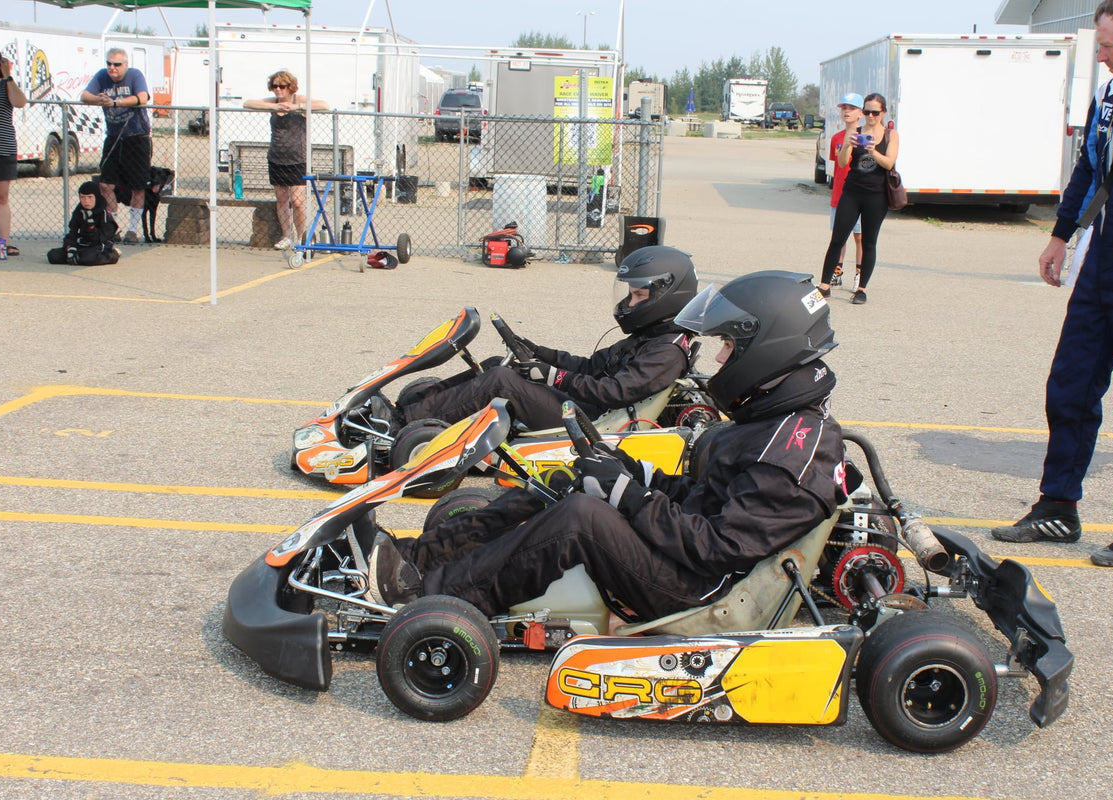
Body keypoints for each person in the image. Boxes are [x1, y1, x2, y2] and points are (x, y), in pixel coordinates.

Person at [366, 271, 848, 622]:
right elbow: (700, 495)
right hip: (687, 558)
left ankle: (430, 594)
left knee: (583, 520)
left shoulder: (792, 455)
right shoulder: (772, 420)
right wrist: (629, 473)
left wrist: (627, 497)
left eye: (728, 348)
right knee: (561, 479)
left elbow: (716, 548)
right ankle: (420, 558)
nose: (719, 357)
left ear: (767, 350)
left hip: (700, 590)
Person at [991, 0, 1113, 568]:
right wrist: (1060, 235)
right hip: (1099, 266)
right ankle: (1058, 507)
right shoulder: (1112, 94)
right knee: (1070, 389)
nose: (1099, 57)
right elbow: (1088, 169)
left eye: (1107, 47)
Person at [390, 245, 700, 432]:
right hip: (585, 405)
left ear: (667, 295)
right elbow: (592, 365)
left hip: (591, 421)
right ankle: (418, 404)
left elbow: (614, 391)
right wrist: (541, 353)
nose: (629, 303)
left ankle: (404, 424)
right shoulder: (652, 336)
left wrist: (555, 377)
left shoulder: (667, 351)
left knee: (501, 381)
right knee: (500, 364)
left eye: (638, 295)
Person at [817, 93, 899, 305]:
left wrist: (873, 151)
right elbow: (843, 163)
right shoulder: (855, 131)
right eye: (867, 111)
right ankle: (824, 285)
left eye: (875, 112)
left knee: (869, 241)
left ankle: (861, 289)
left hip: (876, 196)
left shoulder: (890, 135)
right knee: (838, 238)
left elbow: (889, 163)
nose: (870, 116)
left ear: (883, 113)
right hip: (852, 192)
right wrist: (847, 144)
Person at [243, 72, 329, 250]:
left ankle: (302, 237)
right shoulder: (274, 102)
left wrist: (298, 106)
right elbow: (248, 103)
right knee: (282, 199)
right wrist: (274, 107)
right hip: (276, 157)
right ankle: (286, 236)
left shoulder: (299, 99)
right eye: (275, 86)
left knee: (297, 201)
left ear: (290, 87)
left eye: (282, 86)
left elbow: (325, 105)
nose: (278, 90)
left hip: (298, 158)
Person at [81, 48, 151, 245]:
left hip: (136, 136)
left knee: (137, 186)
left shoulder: (135, 75)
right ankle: (113, 227)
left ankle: (133, 230)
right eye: (109, 63)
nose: (112, 68)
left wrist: (116, 102)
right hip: (113, 136)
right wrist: (100, 100)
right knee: (105, 184)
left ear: (125, 65)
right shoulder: (102, 76)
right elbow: (84, 95)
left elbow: (142, 97)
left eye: (117, 64)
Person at [827, 93, 864, 290]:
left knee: (860, 236)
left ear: (860, 113)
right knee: (838, 236)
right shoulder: (837, 138)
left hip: (858, 194)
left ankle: (860, 273)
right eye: (844, 108)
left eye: (851, 108)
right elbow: (838, 167)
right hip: (839, 194)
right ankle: (836, 271)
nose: (847, 112)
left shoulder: (864, 137)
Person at [0, 47, 27, 257]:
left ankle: (4, 243)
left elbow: (20, 102)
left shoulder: (5, 85)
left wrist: (9, 77)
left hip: (1, 149)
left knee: (1, 198)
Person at [46, 181, 120, 266]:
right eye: (82, 197)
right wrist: (71, 247)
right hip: (82, 245)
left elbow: (99, 239)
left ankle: (113, 254)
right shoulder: (79, 211)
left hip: (98, 246)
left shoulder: (104, 214)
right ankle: (77, 258)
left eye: (90, 197)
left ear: (96, 197)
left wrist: (90, 225)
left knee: (88, 258)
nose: (86, 201)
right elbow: (72, 232)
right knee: (53, 256)